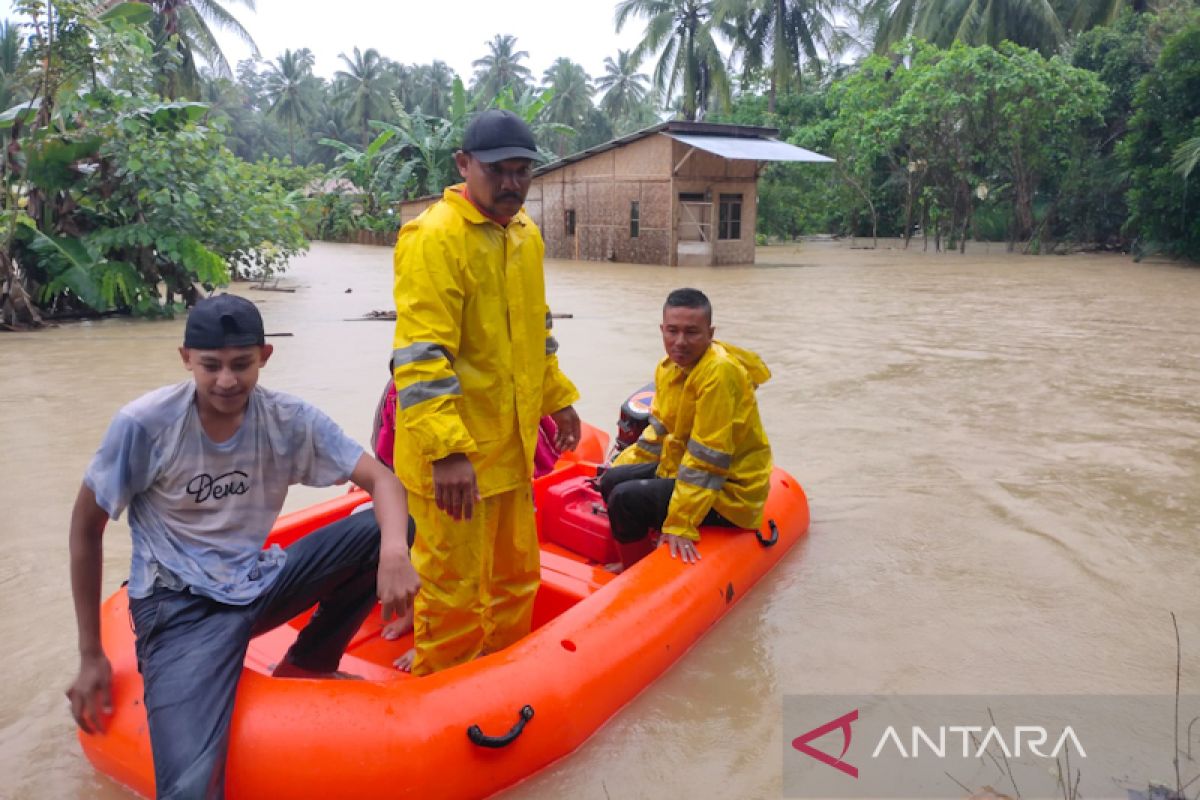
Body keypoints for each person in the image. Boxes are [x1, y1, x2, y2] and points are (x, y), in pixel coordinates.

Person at [65, 294, 420, 800]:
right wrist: (89, 653)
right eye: (210, 366)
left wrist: (393, 553)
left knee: (383, 531)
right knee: (191, 790)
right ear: (186, 358)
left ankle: (311, 663)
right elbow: (84, 528)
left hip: (255, 581)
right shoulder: (146, 425)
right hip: (179, 609)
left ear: (265, 357)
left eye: (241, 364)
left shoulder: (287, 420)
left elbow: (383, 480)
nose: (226, 381)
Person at [390, 109, 580, 676]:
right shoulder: (434, 238)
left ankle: (499, 676)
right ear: (463, 165)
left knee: (517, 577)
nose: (512, 184)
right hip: (456, 457)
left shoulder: (525, 237)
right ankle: (442, 687)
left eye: (523, 171)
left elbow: (535, 331)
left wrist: (558, 399)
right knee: (451, 588)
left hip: (512, 450)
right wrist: (448, 452)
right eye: (499, 171)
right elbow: (422, 355)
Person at [598, 288, 773, 569]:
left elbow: (708, 458)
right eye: (672, 331)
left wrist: (681, 522)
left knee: (625, 499)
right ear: (662, 330)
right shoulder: (668, 368)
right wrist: (617, 465)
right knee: (612, 481)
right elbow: (657, 433)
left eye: (692, 332)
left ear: (710, 332)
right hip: (681, 466)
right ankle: (641, 552)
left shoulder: (718, 373)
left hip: (730, 489)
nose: (680, 342)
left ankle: (635, 574)